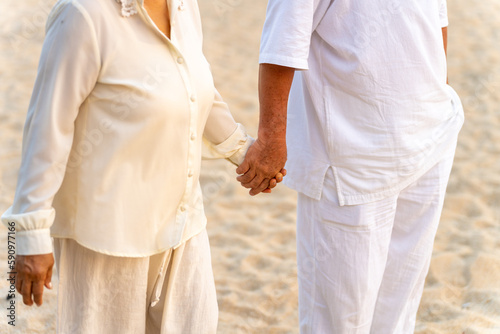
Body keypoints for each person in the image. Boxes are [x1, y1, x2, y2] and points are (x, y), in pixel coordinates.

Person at [1, 0, 285, 333]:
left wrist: (244, 151)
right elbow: (47, 128)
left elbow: (192, 84)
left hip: (183, 224)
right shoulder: (83, 15)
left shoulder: (184, 6)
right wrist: (29, 234)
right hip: (108, 237)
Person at [236, 0, 464, 332]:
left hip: (431, 137)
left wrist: (438, 91)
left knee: (399, 306)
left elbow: (436, 16)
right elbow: (283, 41)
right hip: (351, 158)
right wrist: (271, 140)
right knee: (339, 319)